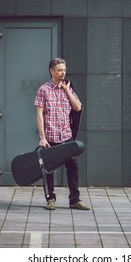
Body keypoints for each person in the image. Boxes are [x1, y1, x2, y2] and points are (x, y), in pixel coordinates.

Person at [34, 58, 90, 210]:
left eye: (64, 70)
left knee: (73, 167)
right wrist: (42, 137)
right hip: (50, 137)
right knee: (48, 169)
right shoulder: (43, 90)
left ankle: (74, 200)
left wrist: (66, 90)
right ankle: (50, 199)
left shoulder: (69, 88)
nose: (63, 72)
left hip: (66, 136)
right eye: (59, 70)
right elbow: (39, 115)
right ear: (52, 71)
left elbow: (78, 107)